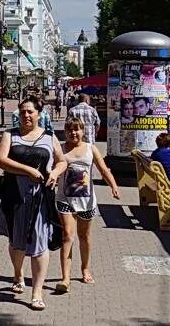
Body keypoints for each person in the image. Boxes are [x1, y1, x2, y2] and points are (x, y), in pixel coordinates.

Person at [0, 96, 67, 311]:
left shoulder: (49, 137)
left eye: (30, 112)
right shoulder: (10, 134)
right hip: (15, 196)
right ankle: (18, 273)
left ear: (39, 114)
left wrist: (54, 172)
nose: (26, 115)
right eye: (23, 111)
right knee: (17, 242)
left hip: (40, 198)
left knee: (40, 242)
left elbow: (62, 161)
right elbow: (1, 160)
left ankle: (37, 292)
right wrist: (27, 170)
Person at [55, 119, 120, 293]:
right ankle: (65, 278)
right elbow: (52, 168)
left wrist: (113, 185)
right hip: (64, 199)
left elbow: (104, 169)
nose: (73, 133)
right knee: (67, 236)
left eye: (76, 130)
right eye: (69, 130)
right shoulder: (60, 149)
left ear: (83, 131)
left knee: (84, 236)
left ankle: (85, 268)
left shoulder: (91, 149)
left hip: (86, 201)